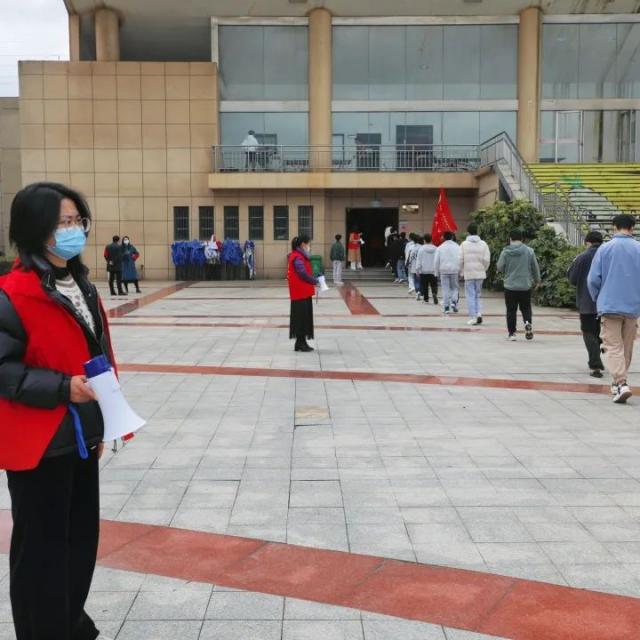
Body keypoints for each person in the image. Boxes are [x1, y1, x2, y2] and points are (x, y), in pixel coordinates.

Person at [0, 182, 116, 640]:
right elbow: (4, 370)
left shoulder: (81, 285)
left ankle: (69, 624)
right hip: (39, 444)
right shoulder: (12, 294)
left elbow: (95, 353)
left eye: (77, 221)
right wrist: (63, 387)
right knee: (41, 552)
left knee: (79, 543)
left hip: (80, 436)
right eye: (62, 222)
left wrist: (104, 421)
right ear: (35, 230)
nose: (73, 230)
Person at [588, 214, 640, 403]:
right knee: (626, 346)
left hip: (610, 305)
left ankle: (620, 382)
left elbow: (593, 279)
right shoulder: (638, 248)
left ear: (614, 227)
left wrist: (597, 297)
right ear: (632, 228)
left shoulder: (605, 248)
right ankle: (618, 382)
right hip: (633, 307)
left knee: (612, 345)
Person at [567, 231, 605, 378]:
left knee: (589, 331)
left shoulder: (582, 257)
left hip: (587, 302)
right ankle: (599, 350)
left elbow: (572, 278)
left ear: (587, 242)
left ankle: (595, 365)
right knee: (600, 331)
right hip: (606, 303)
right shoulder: (608, 255)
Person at [496, 228, 541, 341]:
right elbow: (535, 267)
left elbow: (499, 267)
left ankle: (512, 334)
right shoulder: (529, 251)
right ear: (522, 239)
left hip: (510, 286)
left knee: (511, 310)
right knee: (526, 308)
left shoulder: (505, 252)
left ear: (510, 238)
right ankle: (527, 323)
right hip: (525, 285)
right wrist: (537, 280)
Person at [288, 234, 319, 352]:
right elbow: (302, 273)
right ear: (302, 244)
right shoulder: (298, 257)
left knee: (302, 318)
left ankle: (300, 343)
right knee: (301, 318)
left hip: (302, 292)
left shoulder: (300, 256)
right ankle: (301, 343)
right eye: (308, 243)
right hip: (300, 293)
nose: (309, 246)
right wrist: (314, 281)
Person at [460, 223, 491, 326]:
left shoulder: (464, 244)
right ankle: (478, 313)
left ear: (468, 232)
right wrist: (483, 269)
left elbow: (460, 259)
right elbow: (487, 260)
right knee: (477, 294)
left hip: (468, 273)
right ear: (477, 231)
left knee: (470, 295)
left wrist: (461, 271)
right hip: (480, 273)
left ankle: (473, 317)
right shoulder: (483, 244)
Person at [435, 230, 461, 313]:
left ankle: (446, 308)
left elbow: (436, 261)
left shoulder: (440, 248)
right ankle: (454, 302)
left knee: (445, 289)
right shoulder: (457, 247)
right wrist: (460, 271)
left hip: (443, 270)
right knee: (455, 288)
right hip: (455, 270)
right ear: (452, 237)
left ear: (443, 237)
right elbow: (460, 259)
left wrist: (436, 272)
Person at [417, 233, 438, 305]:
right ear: (431, 239)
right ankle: (434, 293)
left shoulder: (421, 249)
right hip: (433, 270)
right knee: (434, 284)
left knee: (425, 285)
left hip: (424, 270)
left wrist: (417, 269)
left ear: (424, 240)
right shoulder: (436, 248)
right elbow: (437, 259)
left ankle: (426, 299)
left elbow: (419, 260)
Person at [408, 235, 423, 300]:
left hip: (414, 266)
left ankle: (417, 292)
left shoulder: (413, 248)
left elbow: (410, 258)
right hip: (421, 266)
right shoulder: (422, 248)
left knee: (416, 280)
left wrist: (409, 265)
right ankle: (421, 292)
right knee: (421, 280)